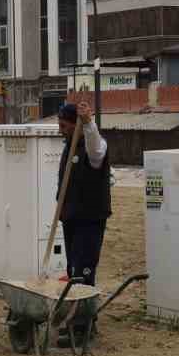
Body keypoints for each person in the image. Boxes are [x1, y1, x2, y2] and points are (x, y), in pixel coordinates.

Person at [55, 101, 111, 287]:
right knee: (72, 268)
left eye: (63, 126)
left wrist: (88, 123)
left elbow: (95, 152)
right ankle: (72, 307)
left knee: (84, 270)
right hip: (70, 216)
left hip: (89, 219)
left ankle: (84, 312)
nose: (60, 130)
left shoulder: (94, 146)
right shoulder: (68, 146)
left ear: (75, 125)